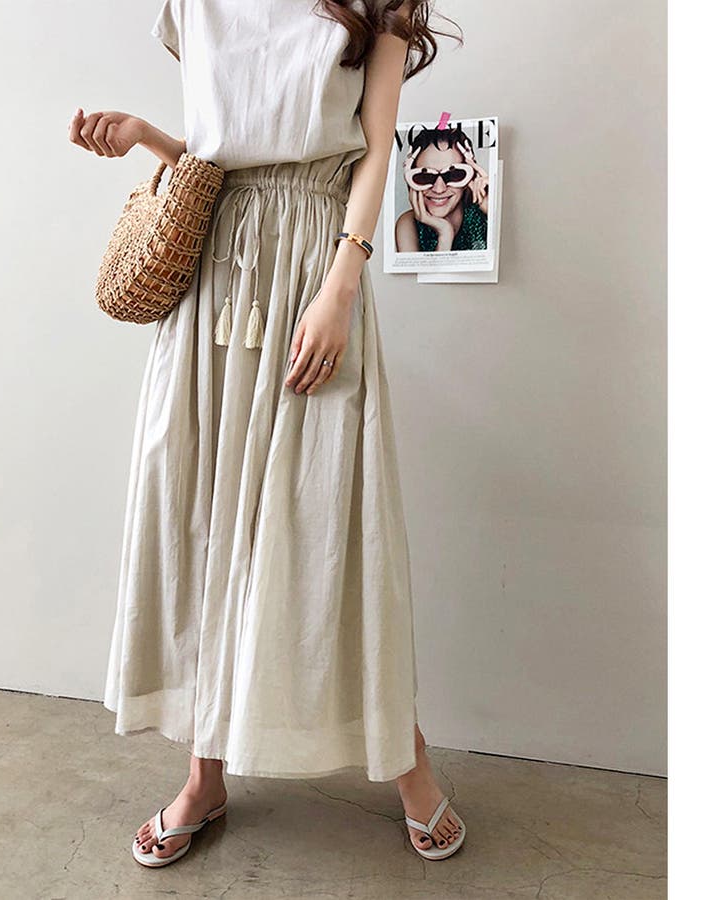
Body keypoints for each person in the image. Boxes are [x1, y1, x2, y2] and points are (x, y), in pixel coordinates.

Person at [68, 0, 466, 867]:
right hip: (214, 276)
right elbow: (229, 152)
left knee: (332, 525)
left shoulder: (379, 8)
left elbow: (376, 148)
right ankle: (203, 775)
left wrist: (342, 286)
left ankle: (406, 759)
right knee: (201, 518)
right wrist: (151, 138)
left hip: (316, 263)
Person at [394, 124, 490, 252]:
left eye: (453, 175)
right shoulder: (408, 224)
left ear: (470, 176)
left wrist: (492, 210)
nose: (439, 189)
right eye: (425, 176)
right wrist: (445, 234)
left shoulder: (484, 214)